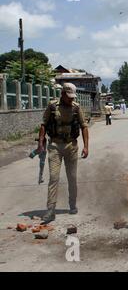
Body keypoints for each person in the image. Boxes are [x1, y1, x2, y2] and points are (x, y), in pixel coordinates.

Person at [38, 83, 89, 224]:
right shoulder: (52, 106)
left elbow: (84, 127)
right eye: (69, 97)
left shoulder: (76, 107)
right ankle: (50, 210)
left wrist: (86, 147)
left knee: (72, 178)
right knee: (54, 178)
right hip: (55, 146)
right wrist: (40, 142)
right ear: (63, 94)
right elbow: (43, 124)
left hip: (71, 146)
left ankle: (72, 205)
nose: (71, 100)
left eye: (73, 97)